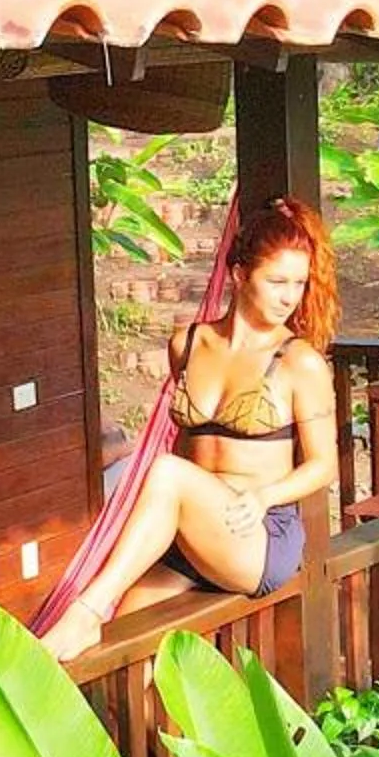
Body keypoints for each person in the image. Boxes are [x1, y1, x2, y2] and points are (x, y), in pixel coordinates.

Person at [41, 195, 340, 661]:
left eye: (298, 284)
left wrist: (263, 496)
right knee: (125, 647)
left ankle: (84, 612)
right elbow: (187, 447)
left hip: (257, 533)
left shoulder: (299, 362)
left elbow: (324, 465)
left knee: (164, 472)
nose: (289, 297)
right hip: (194, 530)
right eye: (277, 281)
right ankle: (144, 731)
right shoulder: (188, 343)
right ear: (241, 275)